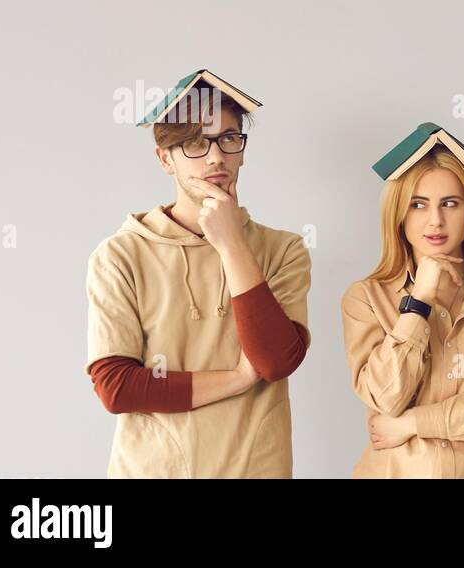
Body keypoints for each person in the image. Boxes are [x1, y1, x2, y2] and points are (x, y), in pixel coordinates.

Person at [85, 70, 311, 477]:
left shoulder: (284, 250)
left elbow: (277, 361)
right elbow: (117, 388)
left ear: (242, 150)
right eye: (193, 143)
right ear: (164, 158)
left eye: (228, 138)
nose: (215, 157)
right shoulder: (120, 255)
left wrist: (231, 245)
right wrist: (238, 379)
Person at [342, 124, 464, 478]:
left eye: (450, 203)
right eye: (418, 205)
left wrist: (416, 422)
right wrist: (418, 302)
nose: (435, 220)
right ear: (399, 214)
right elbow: (386, 396)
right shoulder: (365, 298)